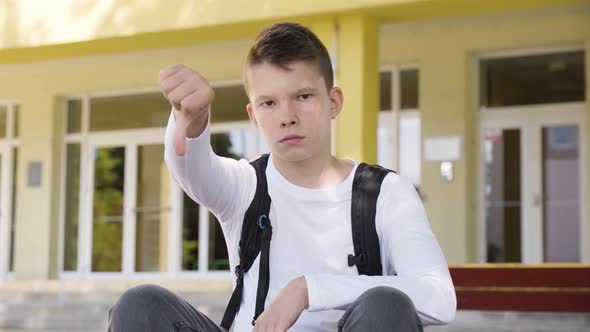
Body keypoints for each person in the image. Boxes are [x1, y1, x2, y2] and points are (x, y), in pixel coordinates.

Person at [108, 22, 456, 332]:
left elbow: (438, 297)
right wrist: (193, 120)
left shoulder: (385, 193)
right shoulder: (244, 185)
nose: (287, 116)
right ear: (253, 115)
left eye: (303, 96)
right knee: (140, 306)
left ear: (333, 101)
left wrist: (309, 289)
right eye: (268, 103)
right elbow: (193, 170)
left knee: (387, 304)